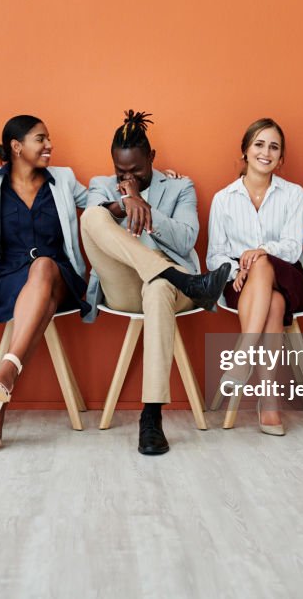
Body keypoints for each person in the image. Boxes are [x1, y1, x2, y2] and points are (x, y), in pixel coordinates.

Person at [81, 110, 230, 456]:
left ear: (152, 158)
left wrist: (145, 206)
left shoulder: (180, 187)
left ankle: (151, 417)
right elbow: (96, 228)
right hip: (124, 287)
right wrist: (123, 203)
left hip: (168, 294)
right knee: (92, 215)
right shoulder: (101, 186)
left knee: (160, 287)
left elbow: (187, 239)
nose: (128, 176)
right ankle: (188, 281)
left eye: (137, 169)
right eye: (122, 171)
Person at [0, 115, 91, 451]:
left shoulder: (63, 179)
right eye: (41, 138)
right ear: (16, 146)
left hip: (59, 276)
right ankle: (0, 398)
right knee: (41, 297)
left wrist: (152, 182)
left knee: (43, 267)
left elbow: (100, 199)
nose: (49, 145)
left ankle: (5, 375)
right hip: (8, 279)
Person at [206, 118, 303, 435]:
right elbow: (214, 255)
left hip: (289, 277)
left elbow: (292, 249)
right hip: (243, 285)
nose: (266, 152)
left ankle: (244, 355)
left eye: (274, 147)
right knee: (274, 306)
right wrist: (239, 268)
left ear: (282, 159)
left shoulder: (294, 194)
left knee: (265, 264)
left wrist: (258, 252)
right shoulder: (223, 199)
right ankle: (269, 404)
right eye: (259, 144)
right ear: (245, 151)